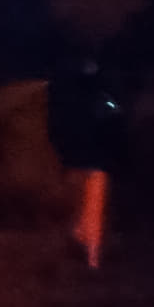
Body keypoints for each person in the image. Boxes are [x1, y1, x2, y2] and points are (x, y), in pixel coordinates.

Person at [44, 53, 126, 273]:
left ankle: (87, 252)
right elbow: (113, 121)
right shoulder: (98, 99)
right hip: (92, 160)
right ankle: (90, 256)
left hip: (77, 159)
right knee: (91, 206)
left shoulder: (65, 100)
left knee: (82, 205)